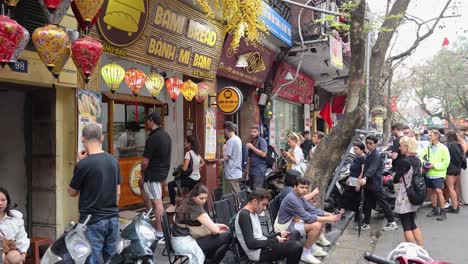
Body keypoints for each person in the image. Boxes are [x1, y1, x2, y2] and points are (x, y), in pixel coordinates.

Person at [68, 123, 121, 264]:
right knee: (113, 258)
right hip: (113, 218)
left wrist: (79, 163)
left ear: (82, 139)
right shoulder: (113, 161)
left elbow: (72, 192)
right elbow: (118, 192)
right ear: (102, 138)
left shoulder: (83, 165)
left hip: (92, 221)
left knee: (92, 259)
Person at [235, 188, 303, 264]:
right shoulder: (244, 215)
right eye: (263, 204)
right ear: (254, 201)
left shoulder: (253, 212)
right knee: (296, 247)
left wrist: (279, 234)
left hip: (262, 247)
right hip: (257, 253)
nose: (265, 208)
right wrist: (275, 240)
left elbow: (260, 237)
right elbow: (251, 244)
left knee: (295, 234)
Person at [172, 184, 231, 264]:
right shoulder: (196, 209)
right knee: (228, 235)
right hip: (185, 244)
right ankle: (210, 262)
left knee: (218, 238)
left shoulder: (187, 202)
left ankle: (209, 261)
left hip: (179, 241)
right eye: (201, 198)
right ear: (194, 197)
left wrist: (216, 226)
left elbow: (200, 225)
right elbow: (215, 231)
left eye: (206, 198)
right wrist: (217, 228)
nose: (204, 201)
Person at [141, 112, 172, 238]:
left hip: (154, 174)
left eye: (147, 121)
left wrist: (143, 171)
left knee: (158, 203)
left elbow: (145, 161)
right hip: (162, 172)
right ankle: (150, 213)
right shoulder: (166, 135)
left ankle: (160, 232)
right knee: (141, 184)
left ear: (151, 121)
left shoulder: (153, 138)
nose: (145, 123)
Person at [359, 135, 398, 231]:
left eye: (370, 143)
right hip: (369, 184)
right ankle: (366, 223)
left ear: (376, 144)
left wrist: (365, 177)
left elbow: (372, 169)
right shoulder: (369, 154)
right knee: (367, 203)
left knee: (383, 203)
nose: (368, 145)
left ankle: (392, 222)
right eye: (367, 143)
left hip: (375, 184)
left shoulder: (376, 155)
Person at [394, 136, 424, 246]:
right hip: (414, 194)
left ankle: (412, 250)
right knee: (412, 223)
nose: (399, 148)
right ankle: (420, 248)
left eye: (401, 146)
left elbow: (396, 178)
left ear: (407, 147)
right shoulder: (417, 160)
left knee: (406, 225)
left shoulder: (404, 162)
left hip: (404, 195)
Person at [419, 130, 450, 221]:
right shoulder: (428, 147)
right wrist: (424, 163)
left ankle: (443, 212)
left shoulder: (443, 148)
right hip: (429, 173)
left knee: (438, 191)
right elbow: (420, 156)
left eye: (431, 135)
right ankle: (435, 209)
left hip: (439, 173)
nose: (429, 136)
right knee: (431, 191)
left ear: (436, 136)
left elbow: (446, 162)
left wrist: (435, 166)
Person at [167, 136, 205, 208]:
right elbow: (203, 162)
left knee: (170, 184)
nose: (184, 143)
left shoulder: (188, 153)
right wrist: (197, 167)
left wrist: (180, 167)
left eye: (185, 142)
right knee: (190, 195)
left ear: (189, 143)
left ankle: (172, 204)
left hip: (190, 179)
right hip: (197, 179)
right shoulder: (196, 153)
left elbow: (184, 169)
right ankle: (190, 207)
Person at [0, 188, 29, 264]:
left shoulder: (15, 217)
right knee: (1, 257)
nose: (0, 203)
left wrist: (23, 254)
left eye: (3, 200)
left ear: (7, 201)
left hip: (10, 248)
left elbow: (22, 237)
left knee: (15, 257)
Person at [340, 142, 366, 221]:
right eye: (354, 149)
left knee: (356, 199)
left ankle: (357, 216)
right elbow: (352, 169)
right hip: (351, 180)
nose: (355, 151)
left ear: (362, 150)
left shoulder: (364, 158)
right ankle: (342, 212)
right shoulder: (355, 157)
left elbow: (362, 171)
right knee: (346, 196)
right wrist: (349, 178)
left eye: (356, 149)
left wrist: (358, 183)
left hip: (357, 181)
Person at [220, 121, 243, 193]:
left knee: (235, 194)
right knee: (236, 192)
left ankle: (238, 204)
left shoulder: (231, 141)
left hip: (232, 172)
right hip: (237, 171)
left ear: (226, 130)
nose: (224, 133)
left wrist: (223, 149)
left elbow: (226, 157)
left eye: (224, 131)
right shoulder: (238, 139)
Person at [445, 130, 464, 213]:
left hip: (450, 168)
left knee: (450, 188)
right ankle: (456, 203)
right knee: (456, 187)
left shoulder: (448, 145)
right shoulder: (458, 145)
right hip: (458, 168)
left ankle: (455, 207)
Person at [245, 125, 268, 190]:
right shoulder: (252, 142)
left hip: (259, 170)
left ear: (258, 132)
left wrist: (252, 147)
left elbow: (264, 154)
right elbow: (249, 158)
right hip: (252, 171)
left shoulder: (261, 141)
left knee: (257, 191)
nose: (252, 133)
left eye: (255, 132)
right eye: (251, 132)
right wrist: (247, 171)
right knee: (251, 190)